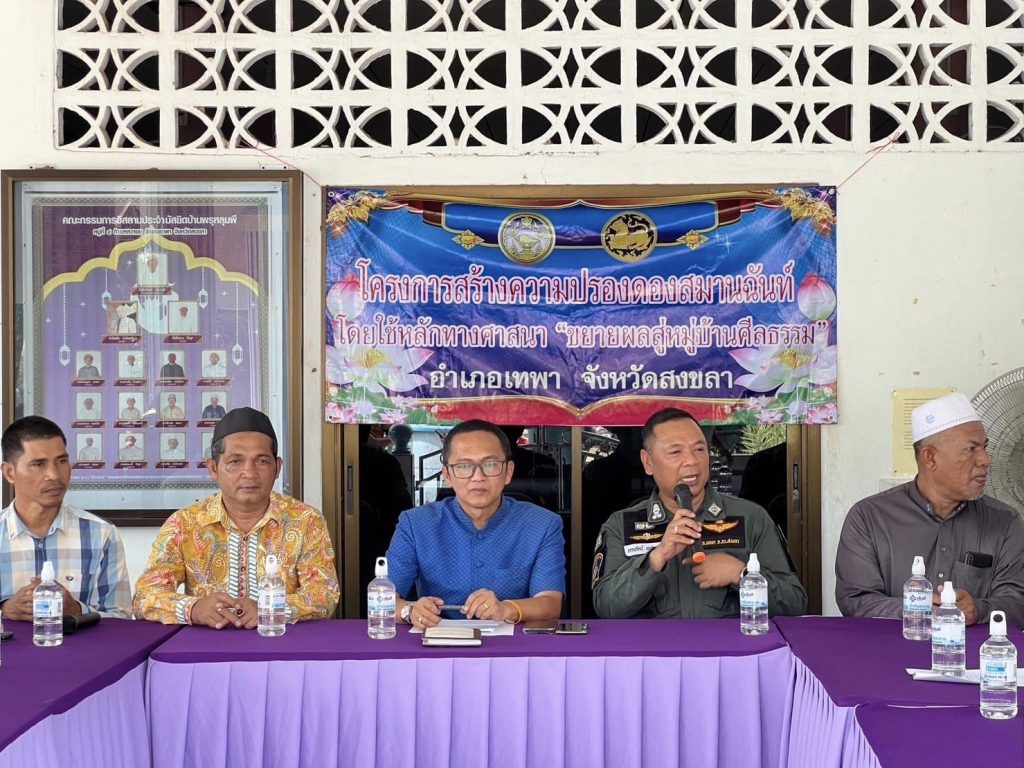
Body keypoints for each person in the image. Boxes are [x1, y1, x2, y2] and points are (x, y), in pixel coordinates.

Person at [592, 408, 806, 619]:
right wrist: (657, 558)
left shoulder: (751, 518)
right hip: (655, 643)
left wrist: (741, 574)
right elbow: (607, 608)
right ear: (648, 462)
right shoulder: (621, 525)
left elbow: (795, 603)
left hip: (729, 642)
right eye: (675, 452)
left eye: (699, 449)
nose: (692, 461)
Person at [133, 407, 339, 626]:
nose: (249, 473)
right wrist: (193, 608)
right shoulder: (184, 524)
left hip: (280, 640)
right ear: (213, 468)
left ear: (277, 468)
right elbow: (145, 596)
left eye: (262, 461)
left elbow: (325, 594)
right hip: (208, 643)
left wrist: (271, 608)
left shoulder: (306, 521)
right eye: (235, 461)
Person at [835, 393, 1024, 628]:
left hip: (973, 651)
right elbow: (855, 601)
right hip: (890, 647)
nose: (985, 460)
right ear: (930, 458)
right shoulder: (869, 518)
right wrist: (915, 608)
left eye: (984, 447)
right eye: (971, 449)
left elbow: (1018, 602)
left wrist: (979, 609)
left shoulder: (1005, 522)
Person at [387, 419, 564, 629]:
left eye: (490, 464)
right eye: (464, 466)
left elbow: (550, 603)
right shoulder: (416, 524)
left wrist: (506, 609)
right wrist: (409, 610)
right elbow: (382, 598)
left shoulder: (542, 525)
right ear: (447, 475)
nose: (478, 477)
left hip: (513, 645)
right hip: (436, 642)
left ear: (508, 472)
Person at [0, 417, 131, 618]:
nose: (54, 475)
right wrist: (4, 610)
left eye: (62, 461)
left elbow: (121, 618)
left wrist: (77, 610)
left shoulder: (101, 534)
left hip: (80, 641)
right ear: (9, 472)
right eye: (39, 464)